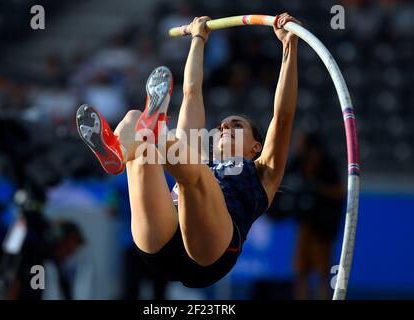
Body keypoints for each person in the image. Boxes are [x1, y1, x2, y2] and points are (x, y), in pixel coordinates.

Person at [76, 13, 301, 288]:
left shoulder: (262, 171)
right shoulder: (196, 152)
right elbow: (192, 92)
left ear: (256, 146)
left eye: (237, 125)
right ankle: (119, 152)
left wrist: (289, 46)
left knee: (193, 174)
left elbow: (283, 116)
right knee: (136, 121)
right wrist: (198, 38)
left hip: (211, 254)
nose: (225, 127)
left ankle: (154, 129)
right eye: (221, 125)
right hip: (160, 241)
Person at [287, 130, 345, 300]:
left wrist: (316, 188)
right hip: (305, 226)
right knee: (300, 271)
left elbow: (339, 192)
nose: (296, 146)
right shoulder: (297, 163)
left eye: (300, 142)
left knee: (323, 274)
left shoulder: (328, 164)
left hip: (323, 229)